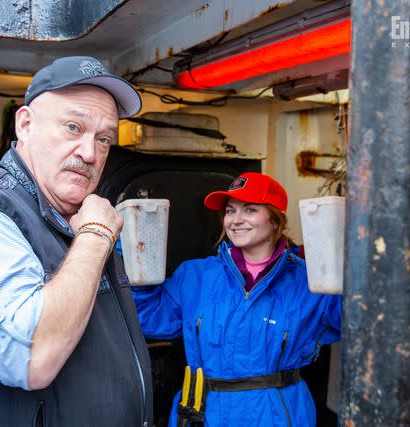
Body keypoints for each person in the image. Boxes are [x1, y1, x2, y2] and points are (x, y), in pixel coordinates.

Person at [0, 56, 153, 426]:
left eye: (103, 139)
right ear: (25, 125)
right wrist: (95, 236)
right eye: (73, 127)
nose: (89, 153)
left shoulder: (75, 219)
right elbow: (33, 356)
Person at [132, 172, 341, 426]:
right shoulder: (196, 275)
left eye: (250, 210)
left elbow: (359, 322)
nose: (236, 220)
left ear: (275, 220)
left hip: (275, 417)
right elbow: (149, 319)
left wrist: (352, 262)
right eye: (230, 211)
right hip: (203, 415)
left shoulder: (309, 282)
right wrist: (137, 269)